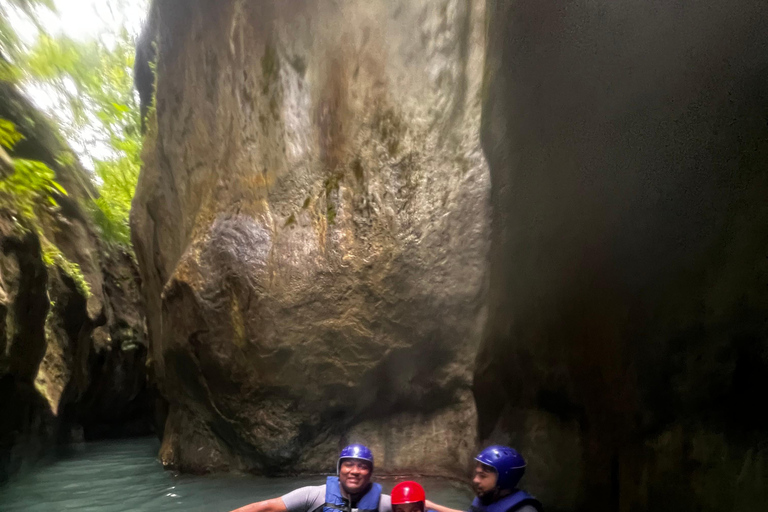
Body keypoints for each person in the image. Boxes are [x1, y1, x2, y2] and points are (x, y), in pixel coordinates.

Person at [230, 444, 392, 512]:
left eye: (362, 467)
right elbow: (265, 508)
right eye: (348, 464)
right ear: (339, 469)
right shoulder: (313, 495)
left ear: (370, 473)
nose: (355, 471)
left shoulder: (385, 504)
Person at [426, 446, 541, 512]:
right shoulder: (488, 497)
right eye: (477, 474)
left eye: (483, 476)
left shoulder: (524, 510)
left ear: (504, 480)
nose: (475, 480)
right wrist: (432, 506)